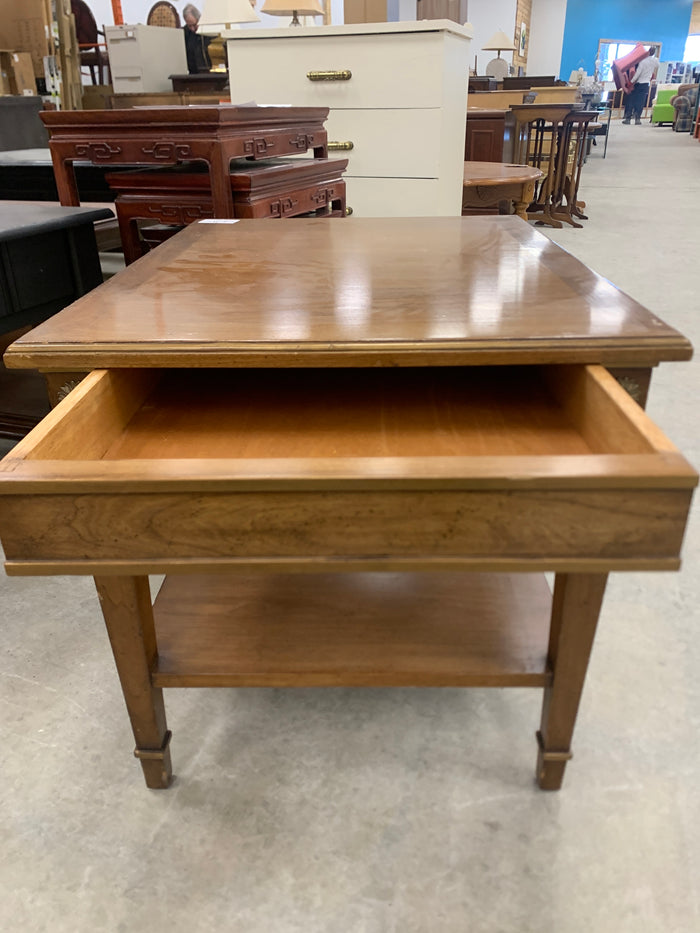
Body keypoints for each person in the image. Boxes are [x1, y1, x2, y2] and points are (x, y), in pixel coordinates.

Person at [622, 46, 659, 125]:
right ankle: (637, 119)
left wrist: (630, 83)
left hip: (638, 83)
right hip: (646, 84)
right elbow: (657, 65)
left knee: (631, 100)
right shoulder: (654, 61)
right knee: (640, 101)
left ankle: (628, 119)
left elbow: (637, 74)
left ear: (648, 52)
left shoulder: (643, 61)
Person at [182, 3, 212, 74]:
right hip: (193, 74)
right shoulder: (185, 33)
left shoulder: (209, 29)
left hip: (209, 73)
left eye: (194, 25)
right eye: (189, 26)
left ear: (199, 19)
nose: (192, 29)